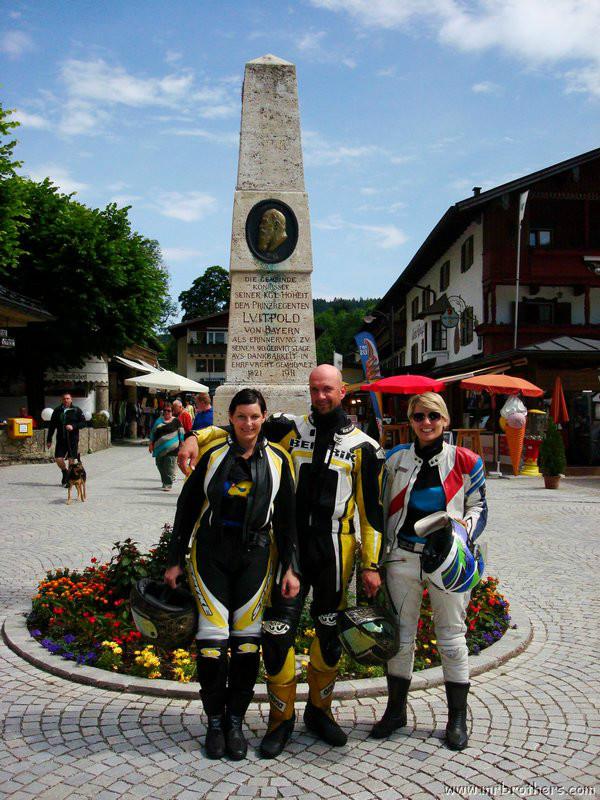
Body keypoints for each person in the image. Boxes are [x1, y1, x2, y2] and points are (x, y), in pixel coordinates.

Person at [177, 365, 385, 757]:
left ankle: (320, 712)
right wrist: (194, 436)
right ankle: (280, 719)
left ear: (343, 390)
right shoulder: (289, 427)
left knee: (329, 637)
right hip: (288, 546)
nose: (320, 396)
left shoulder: (365, 447)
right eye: (315, 389)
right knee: (275, 635)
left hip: (335, 549)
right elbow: (237, 428)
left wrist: (371, 565)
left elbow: (371, 514)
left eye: (328, 389)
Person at [165, 389, 300, 760]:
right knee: (211, 641)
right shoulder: (212, 454)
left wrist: (291, 568)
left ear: (264, 417)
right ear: (231, 418)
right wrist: (175, 559)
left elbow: (287, 519)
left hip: (255, 556)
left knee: (246, 643)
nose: (248, 424)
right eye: (241, 416)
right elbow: (187, 506)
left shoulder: (279, 460)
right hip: (211, 553)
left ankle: (235, 722)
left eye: (255, 417)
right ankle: (214, 722)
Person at [373, 392, 487, 751]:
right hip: (402, 558)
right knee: (401, 639)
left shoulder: (466, 460)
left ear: (445, 420)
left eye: (433, 416)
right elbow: (377, 502)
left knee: (452, 638)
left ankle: (457, 719)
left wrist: (463, 532)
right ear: (410, 420)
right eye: (419, 416)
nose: (426, 423)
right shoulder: (395, 458)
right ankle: (395, 712)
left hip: (447, 560)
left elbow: (479, 506)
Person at [46, 393, 86, 486]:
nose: (66, 400)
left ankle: (69, 479)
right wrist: (49, 439)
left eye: (68, 398)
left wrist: (73, 426)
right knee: (58, 458)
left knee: (71, 459)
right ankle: (65, 472)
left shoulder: (76, 410)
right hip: (61, 438)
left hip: (73, 439)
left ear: (71, 400)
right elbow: (52, 426)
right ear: (62, 400)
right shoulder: (57, 410)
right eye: (64, 399)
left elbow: (83, 423)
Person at [148, 403, 184, 491]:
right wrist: (151, 444)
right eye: (165, 410)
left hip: (172, 449)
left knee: (169, 466)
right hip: (159, 448)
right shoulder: (158, 421)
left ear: (172, 411)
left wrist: (182, 443)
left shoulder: (176, 421)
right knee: (160, 465)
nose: (167, 412)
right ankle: (165, 481)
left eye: (169, 410)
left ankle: (168, 484)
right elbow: (153, 433)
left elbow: (181, 432)